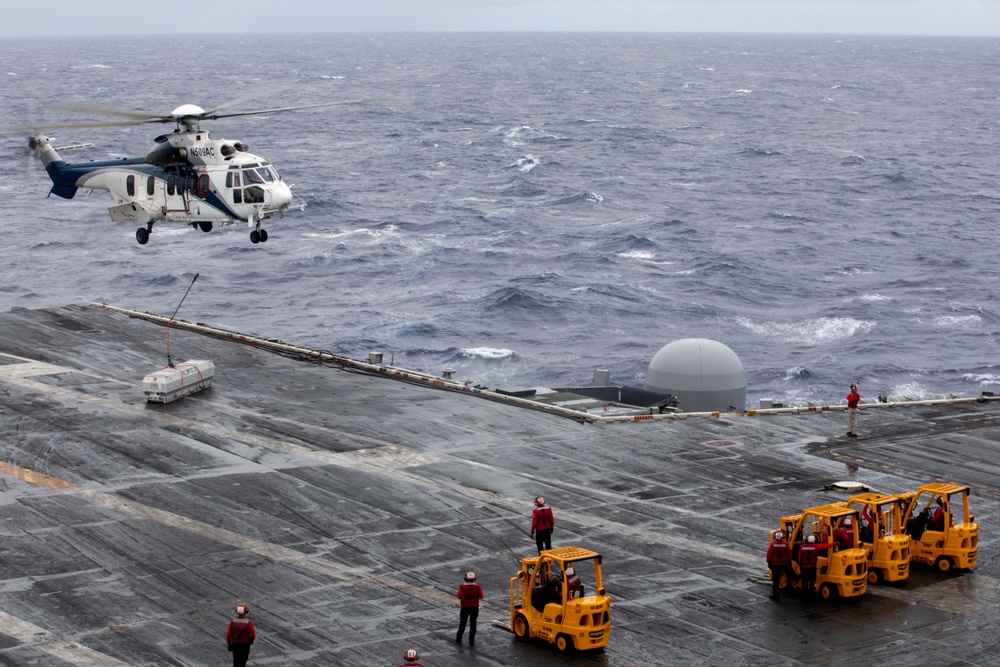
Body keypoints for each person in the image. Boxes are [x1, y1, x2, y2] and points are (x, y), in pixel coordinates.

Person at [456, 571, 484, 645]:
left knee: (462, 623)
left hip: (465, 607)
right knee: (473, 623)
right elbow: (481, 596)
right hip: (474, 607)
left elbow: (458, 596)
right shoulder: (478, 587)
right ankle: (471, 640)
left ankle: (459, 638)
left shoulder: (462, 587)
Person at [225, 603, 256, 667]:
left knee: (235, 662)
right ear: (246, 611)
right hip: (245, 645)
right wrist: (251, 640)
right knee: (243, 663)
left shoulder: (233, 621)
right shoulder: (248, 622)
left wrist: (229, 644)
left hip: (235, 645)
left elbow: (228, 635)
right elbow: (253, 635)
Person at [765, 531, 792, 600]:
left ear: (775, 537)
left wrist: (769, 563)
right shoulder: (786, 544)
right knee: (789, 576)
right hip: (784, 564)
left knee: (776, 581)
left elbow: (769, 555)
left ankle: (776, 596)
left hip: (775, 565)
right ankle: (788, 591)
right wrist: (789, 561)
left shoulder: (772, 545)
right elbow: (789, 553)